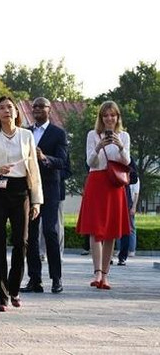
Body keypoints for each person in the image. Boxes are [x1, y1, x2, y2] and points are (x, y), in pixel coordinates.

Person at [0, 95, 43, 311]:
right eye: (2, 108)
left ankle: (14, 288)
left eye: (10, 107)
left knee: (21, 241)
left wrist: (36, 201)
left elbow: (33, 170)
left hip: (20, 190)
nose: (6, 110)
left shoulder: (26, 136)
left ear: (16, 112)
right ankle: (1, 295)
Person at [76, 100, 131, 290]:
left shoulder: (124, 136)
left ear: (117, 117)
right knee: (96, 229)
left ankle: (106, 275)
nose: (109, 118)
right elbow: (90, 161)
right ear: (101, 117)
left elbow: (127, 162)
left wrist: (120, 146)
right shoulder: (93, 134)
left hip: (114, 184)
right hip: (97, 181)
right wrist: (99, 146)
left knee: (111, 231)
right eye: (105, 115)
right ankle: (97, 272)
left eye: (112, 115)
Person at [22, 97, 69, 294]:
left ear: (49, 109)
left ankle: (56, 278)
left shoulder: (58, 133)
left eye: (41, 106)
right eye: (34, 107)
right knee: (30, 235)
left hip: (50, 188)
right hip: (29, 188)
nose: (37, 109)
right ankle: (35, 279)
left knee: (50, 231)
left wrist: (43, 157)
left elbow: (62, 162)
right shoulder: (26, 133)